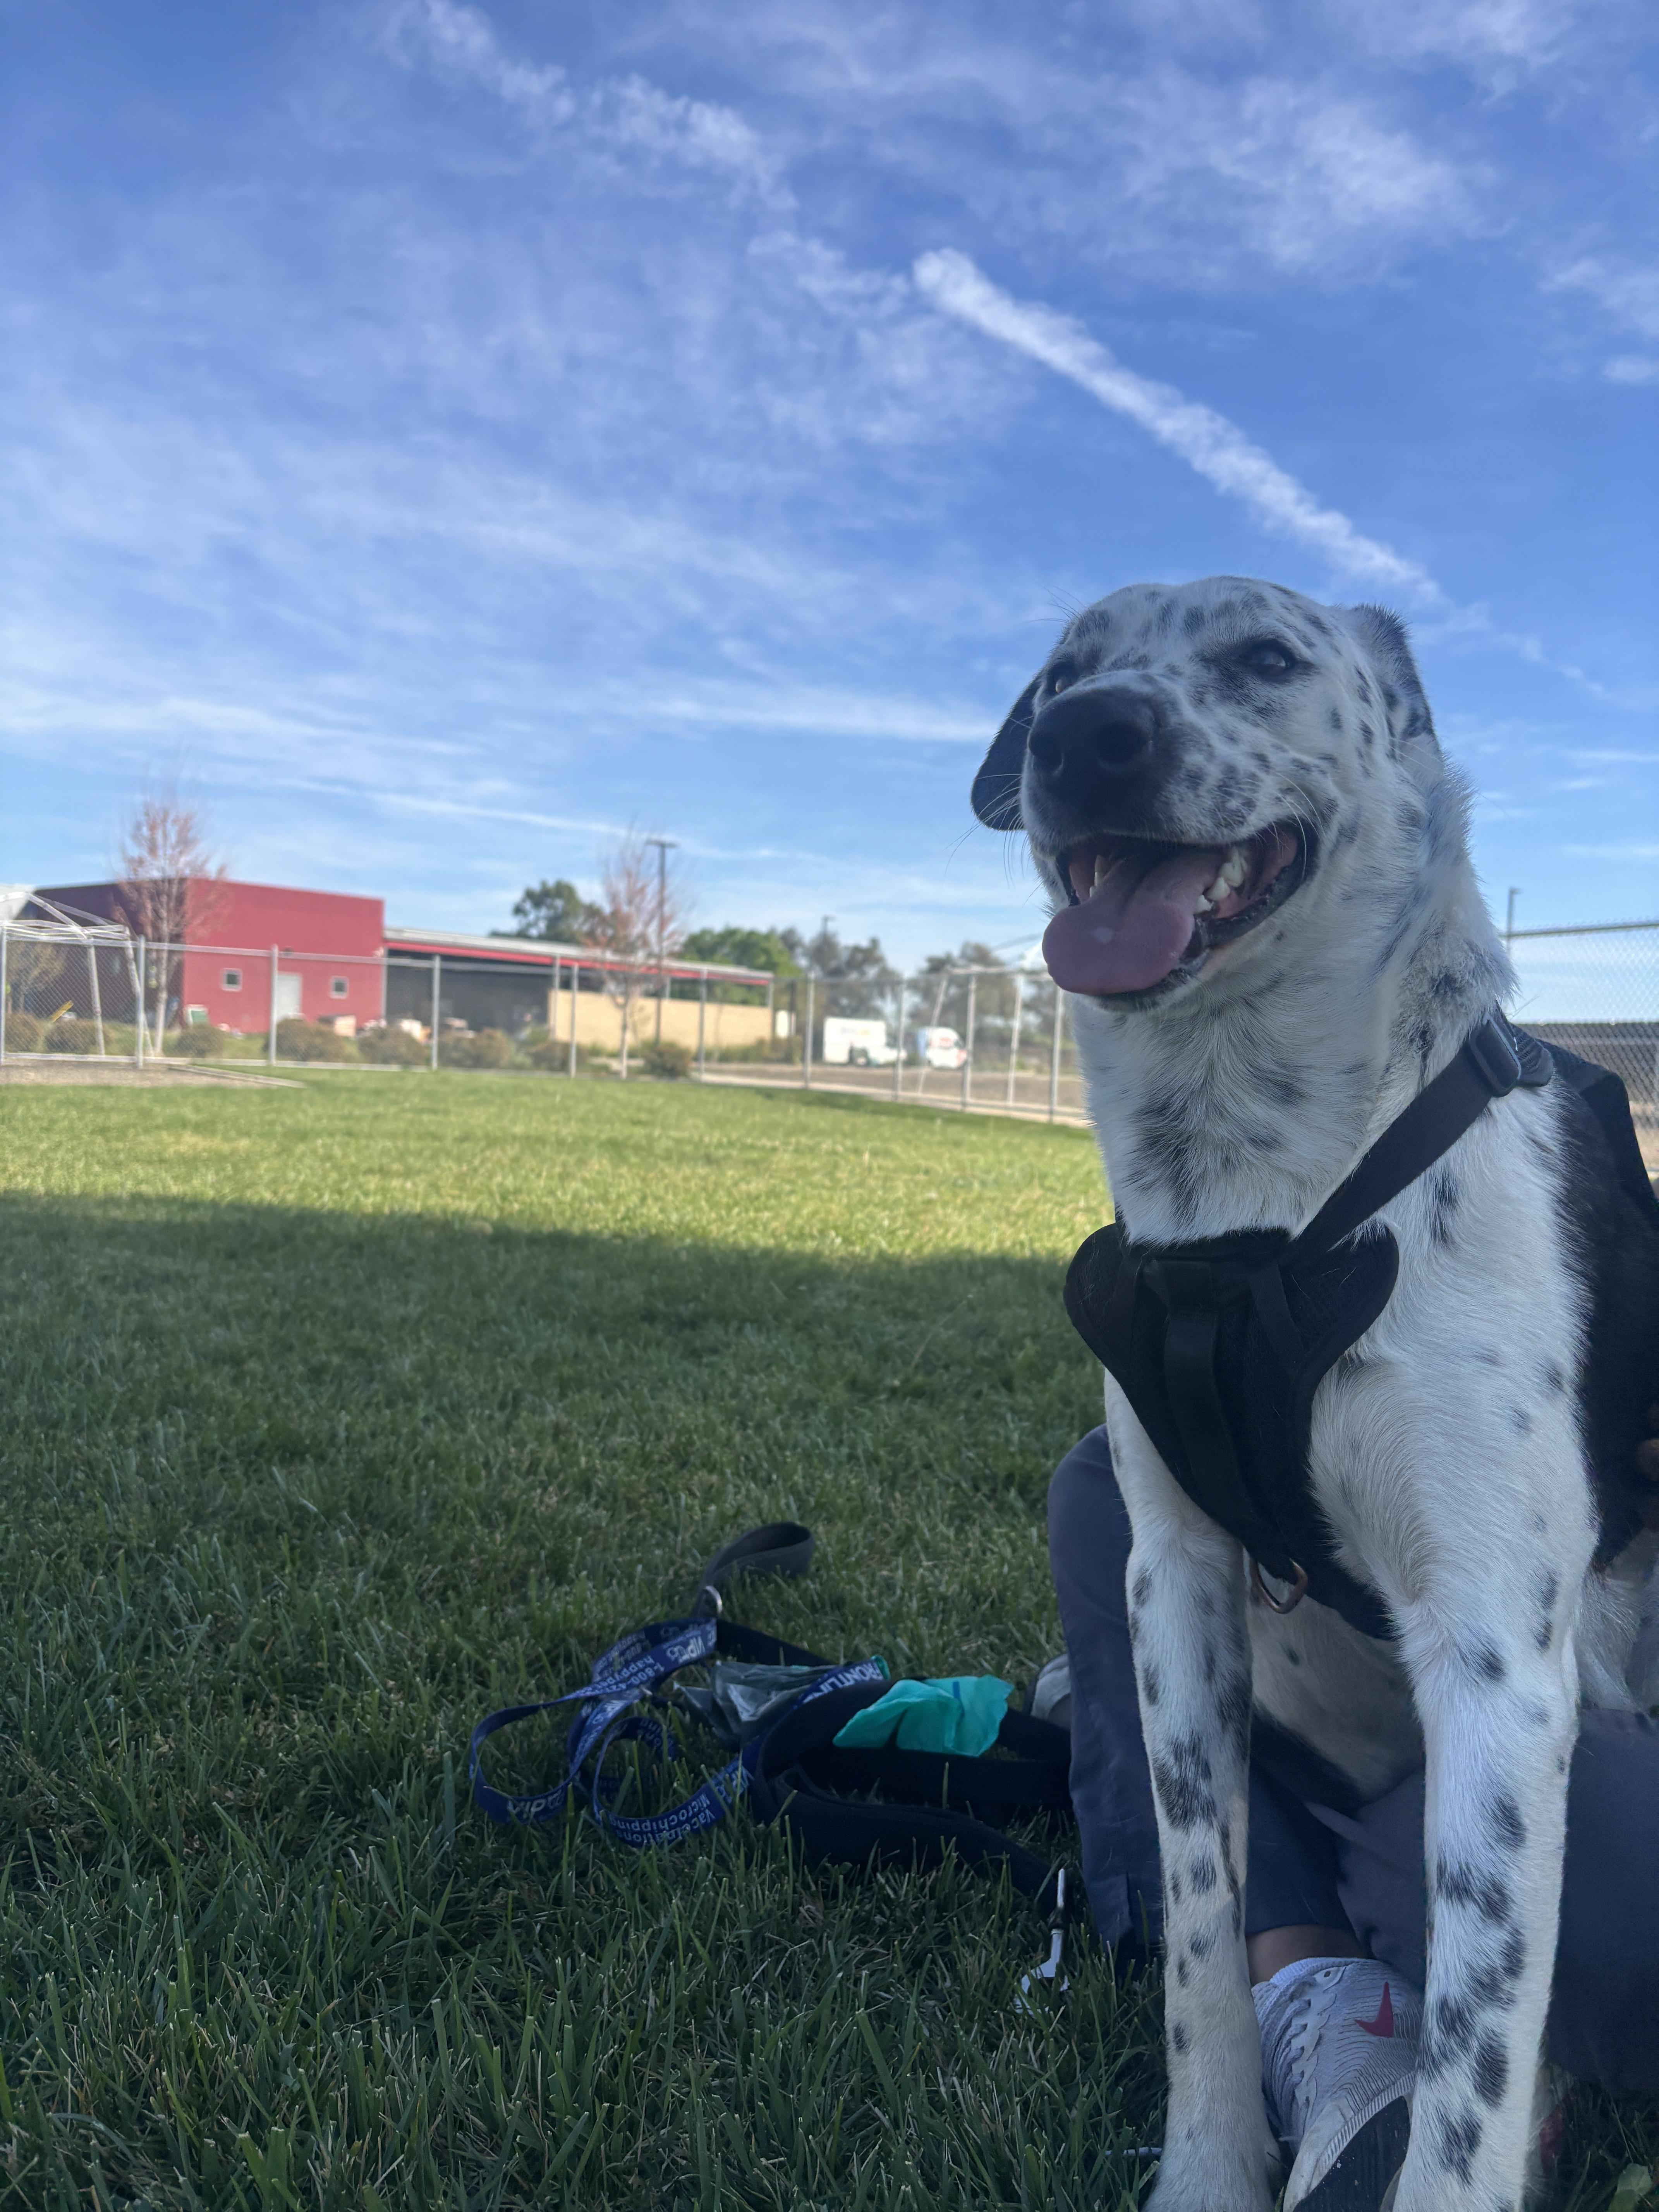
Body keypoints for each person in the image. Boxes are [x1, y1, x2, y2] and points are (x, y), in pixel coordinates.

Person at [1047, 1425, 1659, 2211]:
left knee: (1617, 1889)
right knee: (1125, 1478)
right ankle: (1311, 1977)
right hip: (1412, 1651)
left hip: (1569, 1726)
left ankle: (1142, 1719)